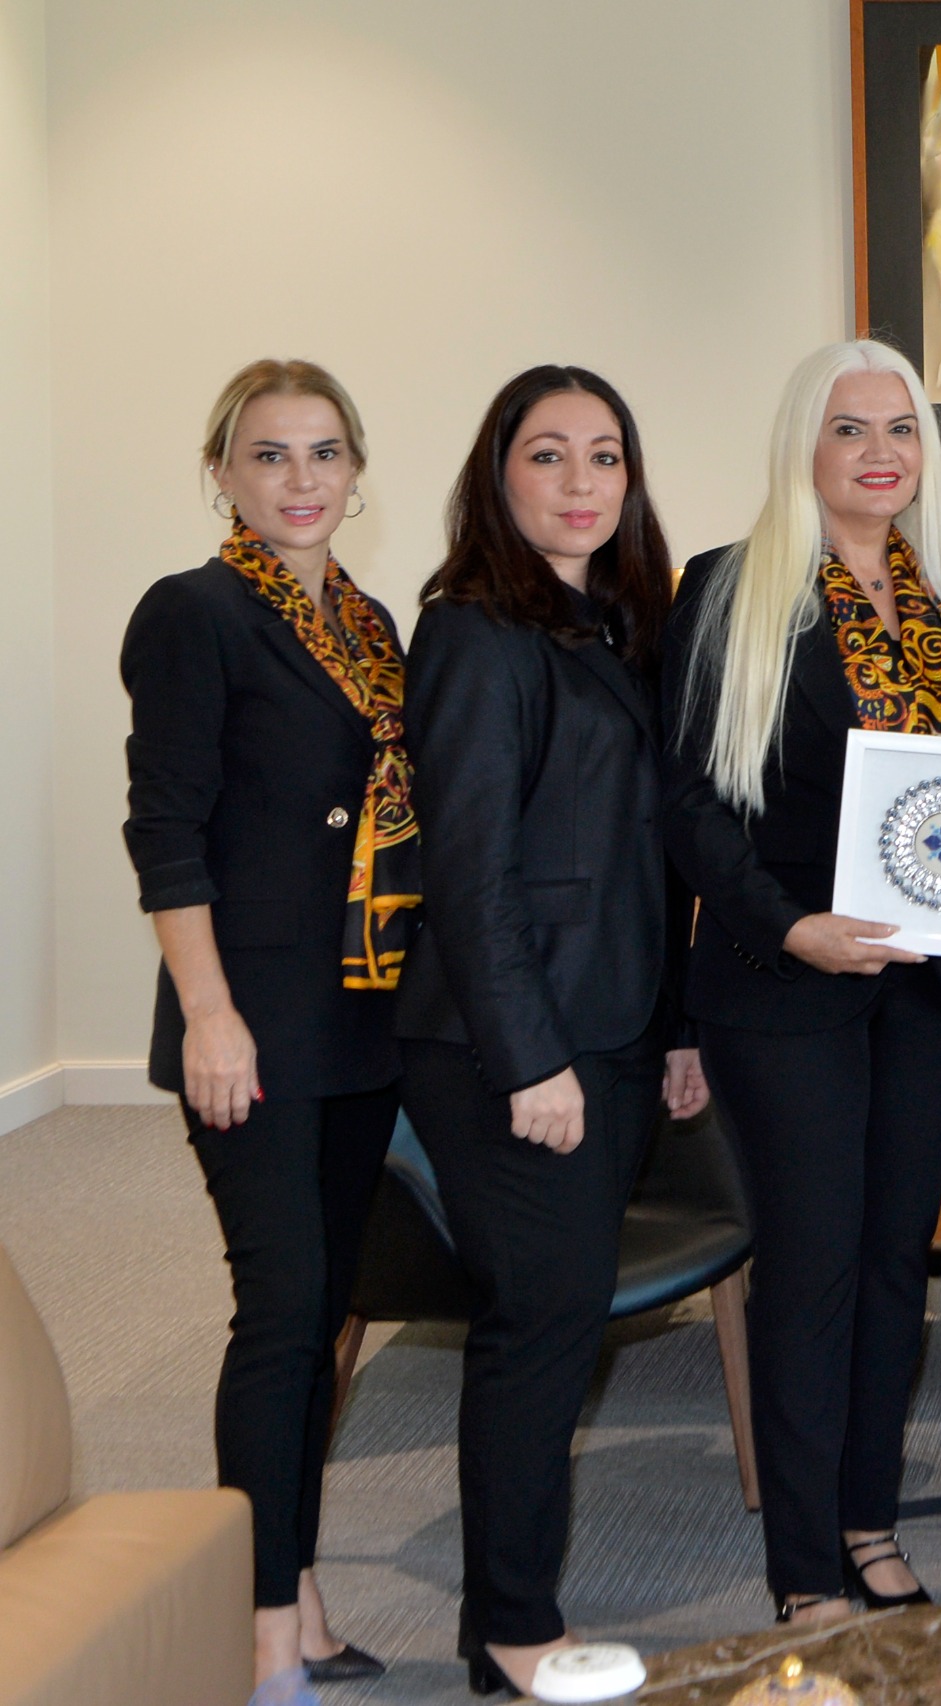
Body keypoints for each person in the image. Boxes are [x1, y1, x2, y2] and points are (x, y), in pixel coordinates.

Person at [660, 340, 941, 1624]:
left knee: (891, 1262)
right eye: (849, 428)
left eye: (900, 429)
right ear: (802, 445)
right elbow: (688, 803)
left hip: (931, 994)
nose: (879, 452)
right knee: (811, 1266)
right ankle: (806, 1565)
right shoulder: (727, 588)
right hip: (786, 980)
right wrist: (791, 926)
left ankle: (870, 1518)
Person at [394, 366, 708, 1697]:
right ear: (497, 473)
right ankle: (511, 1624)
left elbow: (652, 853)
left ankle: (507, 1610)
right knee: (541, 1323)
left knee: (563, 1314)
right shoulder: (473, 631)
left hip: (619, 1022)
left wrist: (676, 1026)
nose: (581, 482)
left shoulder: (619, 626)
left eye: (605, 455)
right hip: (509, 1042)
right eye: (547, 454)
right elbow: (467, 873)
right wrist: (531, 1058)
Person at [120, 359, 410, 1699]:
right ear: (222, 473)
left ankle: (295, 1582)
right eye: (270, 454)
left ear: (356, 471)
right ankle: (259, 1625)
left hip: (357, 1016)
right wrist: (209, 1014)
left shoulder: (367, 622)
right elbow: (165, 829)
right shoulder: (194, 612)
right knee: (281, 1312)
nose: (301, 479)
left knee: (324, 1309)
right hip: (246, 1020)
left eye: (324, 452)